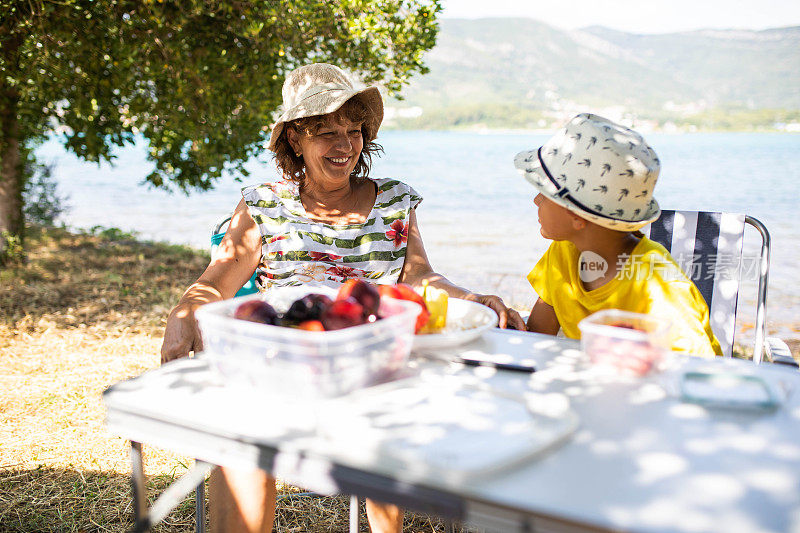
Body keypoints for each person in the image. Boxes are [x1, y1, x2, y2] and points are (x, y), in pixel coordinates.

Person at [161, 63, 526, 533]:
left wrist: (469, 297)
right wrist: (185, 309)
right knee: (243, 441)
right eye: (325, 133)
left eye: (353, 131)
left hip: (375, 362)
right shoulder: (263, 204)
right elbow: (219, 278)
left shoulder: (395, 200)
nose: (345, 146)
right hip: (287, 361)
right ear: (294, 139)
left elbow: (419, 277)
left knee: (391, 419)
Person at [514, 113, 722, 357]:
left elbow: (696, 372)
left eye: (546, 194)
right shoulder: (564, 252)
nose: (536, 199)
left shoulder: (661, 290)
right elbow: (538, 336)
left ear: (577, 216)